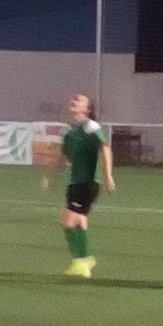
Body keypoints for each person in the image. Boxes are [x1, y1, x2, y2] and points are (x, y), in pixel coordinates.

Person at [44, 94, 116, 278]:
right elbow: (62, 157)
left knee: (68, 222)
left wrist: (108, 175)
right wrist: (50, 177)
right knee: (80, 221)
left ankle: (81, 261)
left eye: (80, 100)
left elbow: (105, 148)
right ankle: (85, 259)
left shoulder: (91, 127)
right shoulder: (69, 131)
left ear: (88, 109)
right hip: (74, 182)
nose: (74, 100)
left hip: (88, 182)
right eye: (74, 99)